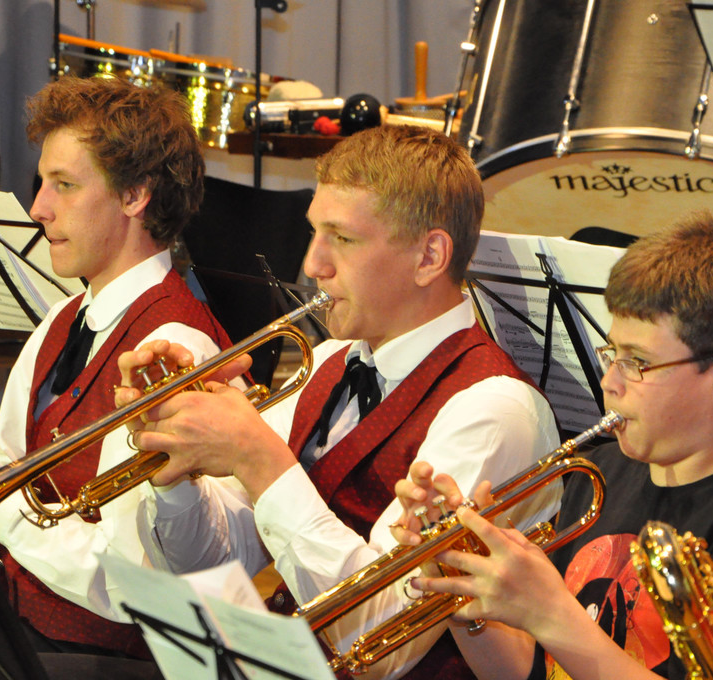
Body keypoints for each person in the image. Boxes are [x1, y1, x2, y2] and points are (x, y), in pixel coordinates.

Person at [115, 124, 561, 679]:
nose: (312, 265)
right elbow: (204, 562)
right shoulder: (330, 361)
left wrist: (260, 460)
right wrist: (175, 459)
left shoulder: (493, 411)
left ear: (429, 256)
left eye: (342, 239)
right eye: (314, 232)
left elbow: (381, 643)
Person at [392, 210, 713, 680]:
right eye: (612, 354)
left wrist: (552, 614)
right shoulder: (599, 474)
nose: (609, 382)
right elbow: (531, 673)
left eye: (637, 362)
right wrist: (460, 575)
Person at [0, 75, 230, 660]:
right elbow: (15, 473)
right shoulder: (63, 317)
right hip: (19, 622)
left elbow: (130, 579)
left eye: (65, 185)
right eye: (42, 182)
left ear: (135, 196)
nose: (38, 208)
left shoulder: (174, 346)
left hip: (103, 656)